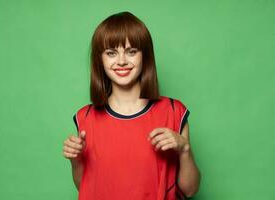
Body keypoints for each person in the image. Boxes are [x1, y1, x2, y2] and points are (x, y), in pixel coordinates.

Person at [63, 11, 200, 200]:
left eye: (131, 51)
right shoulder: (86, 118)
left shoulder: (173, 111)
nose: (121, 61)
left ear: (145, 56)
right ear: (100, 59)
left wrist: (184, 149)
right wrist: (76, 161)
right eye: (111, 53)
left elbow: (190, 190)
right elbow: (87, 188)